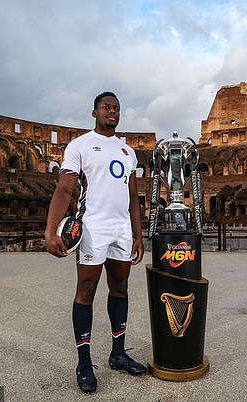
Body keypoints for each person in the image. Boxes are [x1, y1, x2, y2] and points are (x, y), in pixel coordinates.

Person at [44, 91, 146, 393]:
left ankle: (118, 354)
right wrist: (51, 232)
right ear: (95, 112)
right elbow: (64, 190)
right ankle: (84, 363)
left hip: (121, 231)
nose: (111, 112)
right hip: (92, 229)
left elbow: (132, 198)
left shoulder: (129, 153)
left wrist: (138, 234)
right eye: (106, 107)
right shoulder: (80, 146)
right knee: (86, 291)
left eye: (116, 108)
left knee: (120, 288)